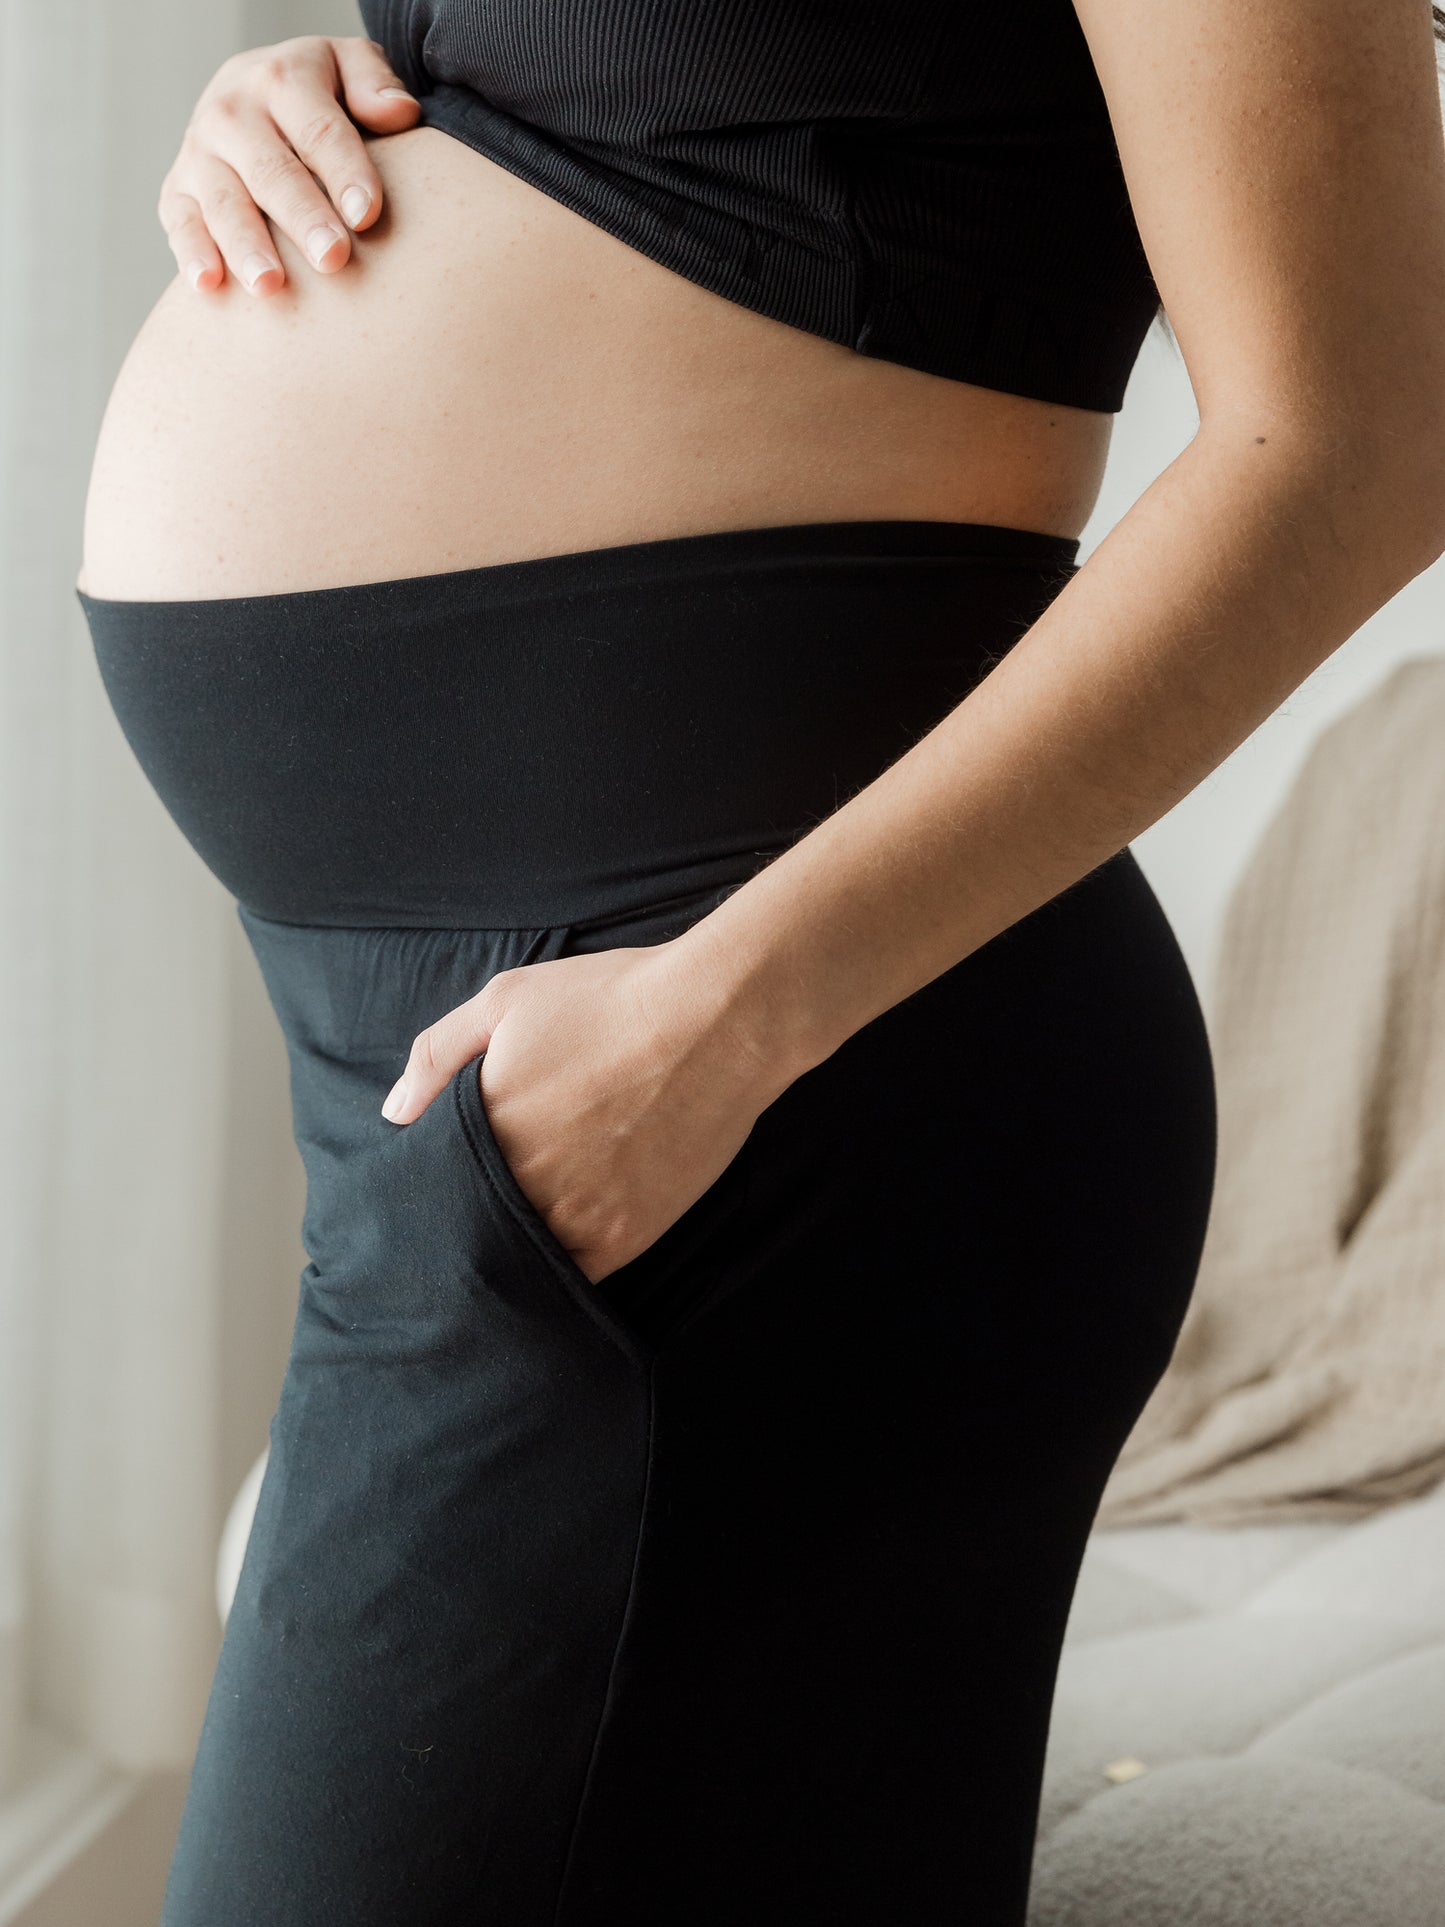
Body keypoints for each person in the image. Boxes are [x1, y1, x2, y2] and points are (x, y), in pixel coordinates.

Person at [73, 4, 1445, 1922]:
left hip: (756, 1080)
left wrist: (717, 1023)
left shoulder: (710, 1050)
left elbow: (1361, 434)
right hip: (485, 1075)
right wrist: (345, 93)